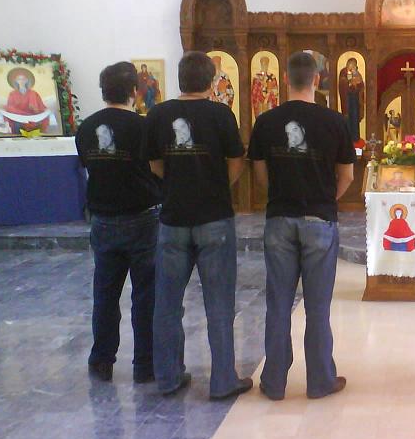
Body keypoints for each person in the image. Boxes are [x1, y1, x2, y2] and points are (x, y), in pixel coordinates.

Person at [144, 51, 252, 400]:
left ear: (180, 78)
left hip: (173, 218)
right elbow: (237, 160)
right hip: (214, 218)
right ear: (211, 81)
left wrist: (177, 185)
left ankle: (168, 377)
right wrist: (217, 186)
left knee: (167, 303)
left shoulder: (158, 114)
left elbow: (155, 163)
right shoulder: (220, 114)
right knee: (219, 302)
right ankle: (223, 381)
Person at [248, 51, 355, 401]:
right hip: (319, 220)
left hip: (279, 218)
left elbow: (260, 174)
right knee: (318, 307)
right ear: (317, 80)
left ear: (284, 79)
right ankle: (320, 380)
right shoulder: (335, 121)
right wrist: (324, 198)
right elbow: (347, 175)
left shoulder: (266, 122)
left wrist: (283, 196)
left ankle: (274, 382)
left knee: (278, 303)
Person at [75, 61, 162, 383]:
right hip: (143, 218)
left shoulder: (86, 127)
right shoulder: (144, 127)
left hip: (103, 219)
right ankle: (145, 365)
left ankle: (102, 361)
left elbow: (88, 165)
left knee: (105, 294)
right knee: (146, 296)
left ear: (103, 91)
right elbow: (157, 169)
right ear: (135, 91)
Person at [338, 57, 365, 141]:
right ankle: (347, 138)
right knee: (347, 118)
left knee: (355, 117)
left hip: (355, 98)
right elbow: (342, 83)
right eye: (351, 64)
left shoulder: (356, 73)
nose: (353, 66)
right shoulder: (343, 72)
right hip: (347, 99)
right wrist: (349, 82)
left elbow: (361, 85)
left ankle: (355, 138)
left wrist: (357, 84)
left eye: (354, 65)